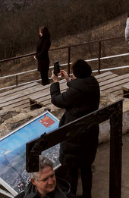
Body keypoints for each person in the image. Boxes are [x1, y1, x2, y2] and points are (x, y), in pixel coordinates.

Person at [50, 59, 100, 198]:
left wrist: (55, 83)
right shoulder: (93, 83)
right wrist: (68, 79)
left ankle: (71, 195)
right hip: (90, 133)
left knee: (71, 170)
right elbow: (80, 88)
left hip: (75, 136)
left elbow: (57, 100)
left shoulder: (76, 91)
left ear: (77, 74)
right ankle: (87, 195)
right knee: (86, 168)